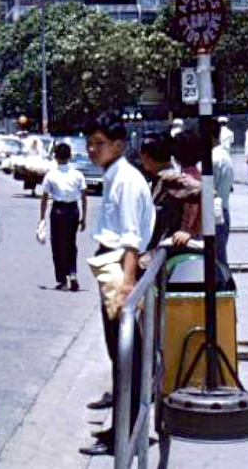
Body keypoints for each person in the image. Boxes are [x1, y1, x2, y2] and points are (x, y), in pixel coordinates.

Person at [80, 112, 154, 457]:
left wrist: (127, 284)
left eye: (99, 143)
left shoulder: (125, 180)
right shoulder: (115, 175)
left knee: (126, 353)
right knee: (120, 353)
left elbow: (131, 238)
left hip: (119, 267)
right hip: (111, 263)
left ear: (119, 145)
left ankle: (125, 436)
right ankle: (123, 430)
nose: (92, 149)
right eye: (89, 143)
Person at [37, 142, 88, 291]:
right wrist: (84, 217)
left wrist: (42, 218)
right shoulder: (77, 174)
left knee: (58, 245)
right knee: (71, 243)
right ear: (70, 156)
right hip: (73, 210)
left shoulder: (51, 175)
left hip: (58, 211)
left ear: (55, 157)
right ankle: (72, 273)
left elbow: (44, 197)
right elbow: (84, 196)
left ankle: (63, 278)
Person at [212, 121, 234, 266]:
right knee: (220, 259)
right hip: (223, 209)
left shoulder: (213, 159)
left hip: (215, 213)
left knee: (216, 261)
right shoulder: (224, 155)